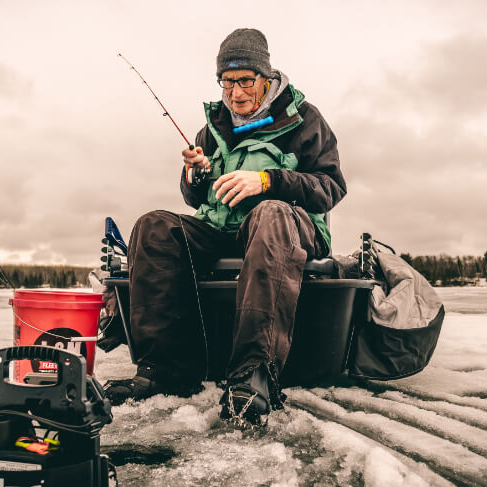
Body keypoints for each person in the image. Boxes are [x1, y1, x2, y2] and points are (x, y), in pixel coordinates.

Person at [104, 28, 346, 425]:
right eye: (226, 82)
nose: (235, 93)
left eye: (245, 80)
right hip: (222, 229)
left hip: (289, 229)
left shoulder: (305, 120)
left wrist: (270, 182)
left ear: (266, 78)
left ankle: (253, 376)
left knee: (270, 214)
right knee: (153, 227)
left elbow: (331, 187)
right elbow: (195, 201)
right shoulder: (213, 127)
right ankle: (164, 371)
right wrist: (194, 175)